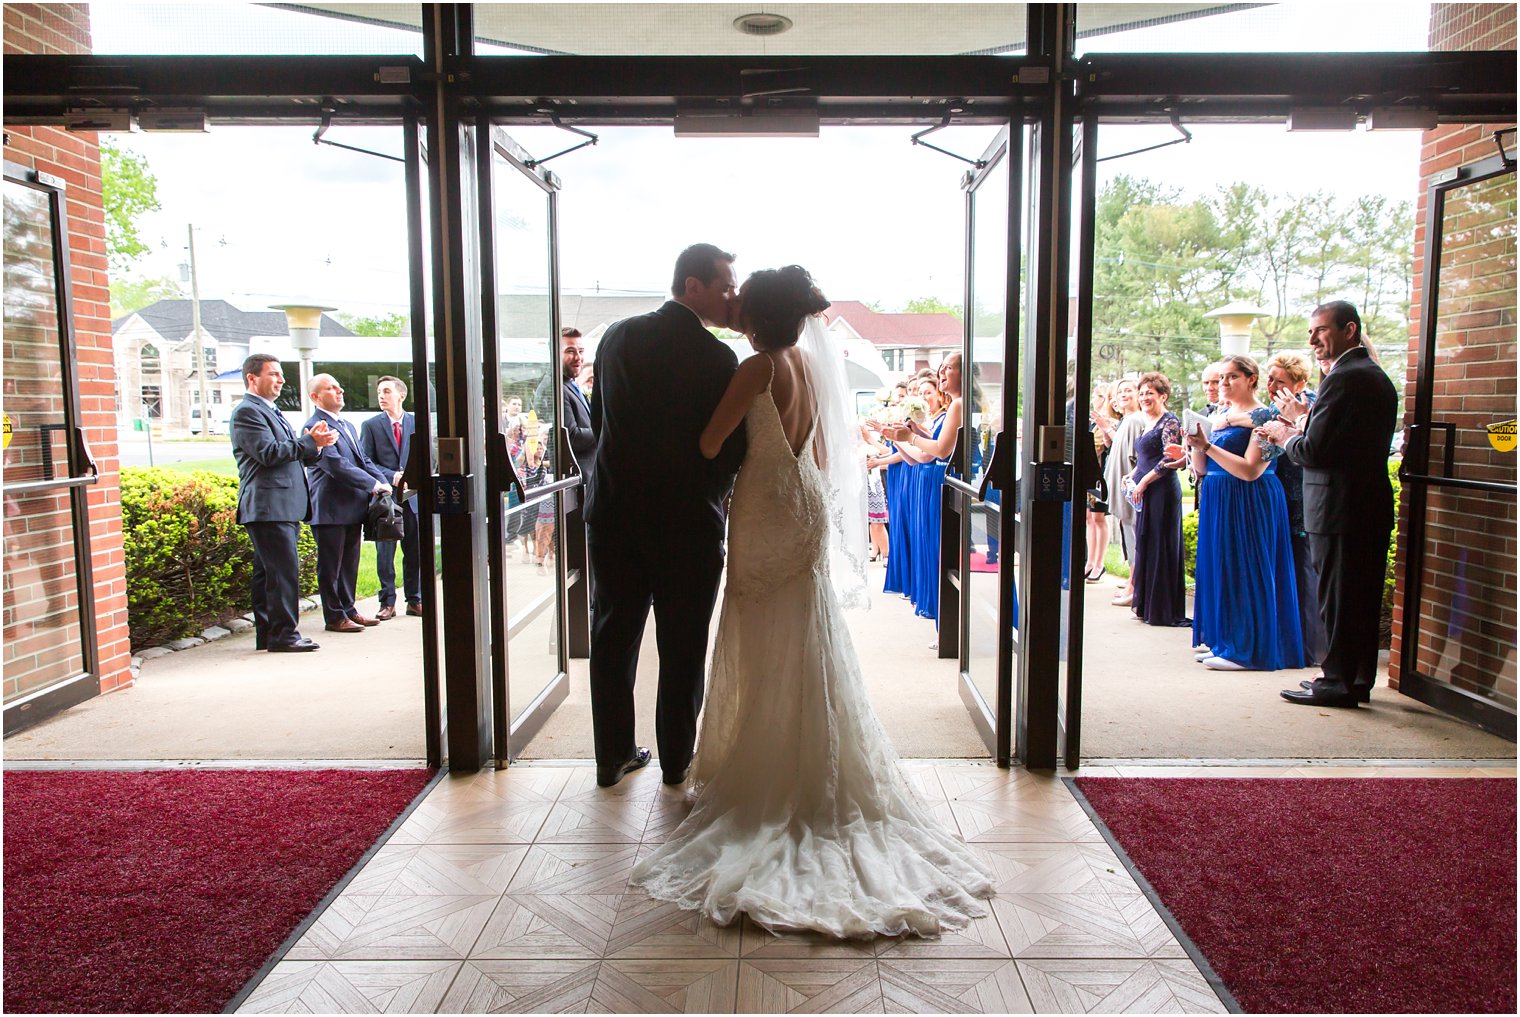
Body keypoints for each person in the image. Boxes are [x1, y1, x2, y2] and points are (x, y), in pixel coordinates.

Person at [630, 265, 994, 937]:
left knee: (764, 634)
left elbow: (712, 443)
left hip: (765, 507)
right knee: (806, 632)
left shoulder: (755, 368)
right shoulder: (803, 360)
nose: (733, 305)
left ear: (759, 315)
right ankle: (812, 768)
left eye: (743, 301)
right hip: (804, 501)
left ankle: (770, 775)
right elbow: (821, 448)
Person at [586, 243, 745, 788]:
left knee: (613, 636)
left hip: (614, 514)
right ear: (693, 285)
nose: (732, 294)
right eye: (725, 284)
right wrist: (712, 494)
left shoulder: (616, 337)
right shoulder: (717, 357)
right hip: (686, 524)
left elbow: (601, 421)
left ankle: (611, 756)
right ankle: (676, 759)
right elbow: (724, 451)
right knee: (682, 645)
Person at [1261, 301, 1397, 707]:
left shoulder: (1346, 378)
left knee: (1339, 600)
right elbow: (1340, 441)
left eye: (1320, 330)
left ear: (1349, 330)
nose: (1313, 339)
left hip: (1341, 509)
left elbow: (1316, 451)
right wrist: (1302, 422)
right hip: (1360, 506)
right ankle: (1352, 679)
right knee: (1356, 599)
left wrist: (1283, 436)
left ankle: (1336, 682)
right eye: (1310, 331)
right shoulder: (1367, 375)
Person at [1185, 355, 1303, 671]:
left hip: (1250, 497)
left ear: (1251, 378)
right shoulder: (1221, 414)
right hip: (1218, 495)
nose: (1223, 383)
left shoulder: (1267, 416)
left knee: (1247, 568)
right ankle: (1226, 640)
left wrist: (1209, 447)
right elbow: (1203, 469)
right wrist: (1197, 445)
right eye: (1221, 378)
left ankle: (1249, 649)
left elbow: (1251, 470)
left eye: (1232, 377)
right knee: (1223, 567)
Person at [230, 354, 335, 653]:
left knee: (268, 573)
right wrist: (308, 443)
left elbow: (293, 452)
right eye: (274, 374)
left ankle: (268, 633)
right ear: (252, 378)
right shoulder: (247, 412)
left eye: (281, 375)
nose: (281, 380)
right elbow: (268, 453)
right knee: (282, 572)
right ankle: (284, 635)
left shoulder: (270, 410)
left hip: (281, 504)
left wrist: (316, 444)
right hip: (268, 505)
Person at [305, 373, 394, 634]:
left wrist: (381, 481)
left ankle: (349, 609)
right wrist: (372, 484)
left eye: (339, 386)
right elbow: (335, 464)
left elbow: (362, 460)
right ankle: (334, 616)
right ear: (315, 397)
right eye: (331, 388)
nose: (339, 390)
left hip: (352, 507)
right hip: (330, 508)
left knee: (349, 563)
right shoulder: (315, 427)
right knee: (331, 565)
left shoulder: (346, 425)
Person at [1260, 352, 1327, 665]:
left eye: (1279, 380)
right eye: (1270, 378)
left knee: (1304, 575)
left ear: (1300, 383)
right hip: (1281, 496)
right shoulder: (1272, 409)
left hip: (1304, 499)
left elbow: (1312, 447)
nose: (1271, 385)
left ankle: (1309, 650)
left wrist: (1286, 429)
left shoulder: (1310, 405)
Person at [1126, 372, 1188, 627]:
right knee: (1147, 543)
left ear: (1163, 396)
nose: (1144, 398)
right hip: (1145, 490)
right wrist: (1131, 476)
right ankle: (1147, 604)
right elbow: (1144, 458)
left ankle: (1162, 609)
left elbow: (1168, 461)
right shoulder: (1147, 423)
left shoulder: (1169, 422)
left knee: (1161, 544)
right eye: (1141, 393)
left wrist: (1143, 481)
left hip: (1162, 491)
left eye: (1150, 393)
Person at [359, 375, 421, 620]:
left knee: (414, 551)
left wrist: (412, 475)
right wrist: (391, 475)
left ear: (401, 395)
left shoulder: (418, 423)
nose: (381, 396)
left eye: (386, 391)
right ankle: (387, 602)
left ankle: (415, 600)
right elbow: (366, 460)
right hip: (385, 499)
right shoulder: (371, 425)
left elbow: (429, 456)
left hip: (413, 497)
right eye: (379, 393)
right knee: (385, 552)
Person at [1103, 377, 1143, 606]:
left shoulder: (1136, 420)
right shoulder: (1127, 420)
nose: (1124, 395)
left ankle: (1134, 586)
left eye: (1129, 390)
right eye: (1120, 392)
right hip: (1122, 487)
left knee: (1133, 536)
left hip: (1131, 488)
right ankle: (1132, 581)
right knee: (1129, 535)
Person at [1085, 381, 1118, 582]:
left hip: (1102, 475)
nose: (1094, 401)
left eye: (1098, 396)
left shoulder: (1110, 422)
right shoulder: (1092, 422)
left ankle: (1099, 562)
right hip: (1089, 474)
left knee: (1099, 518)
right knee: (1089, 519)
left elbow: (1101, 446)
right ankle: (1090, 560)